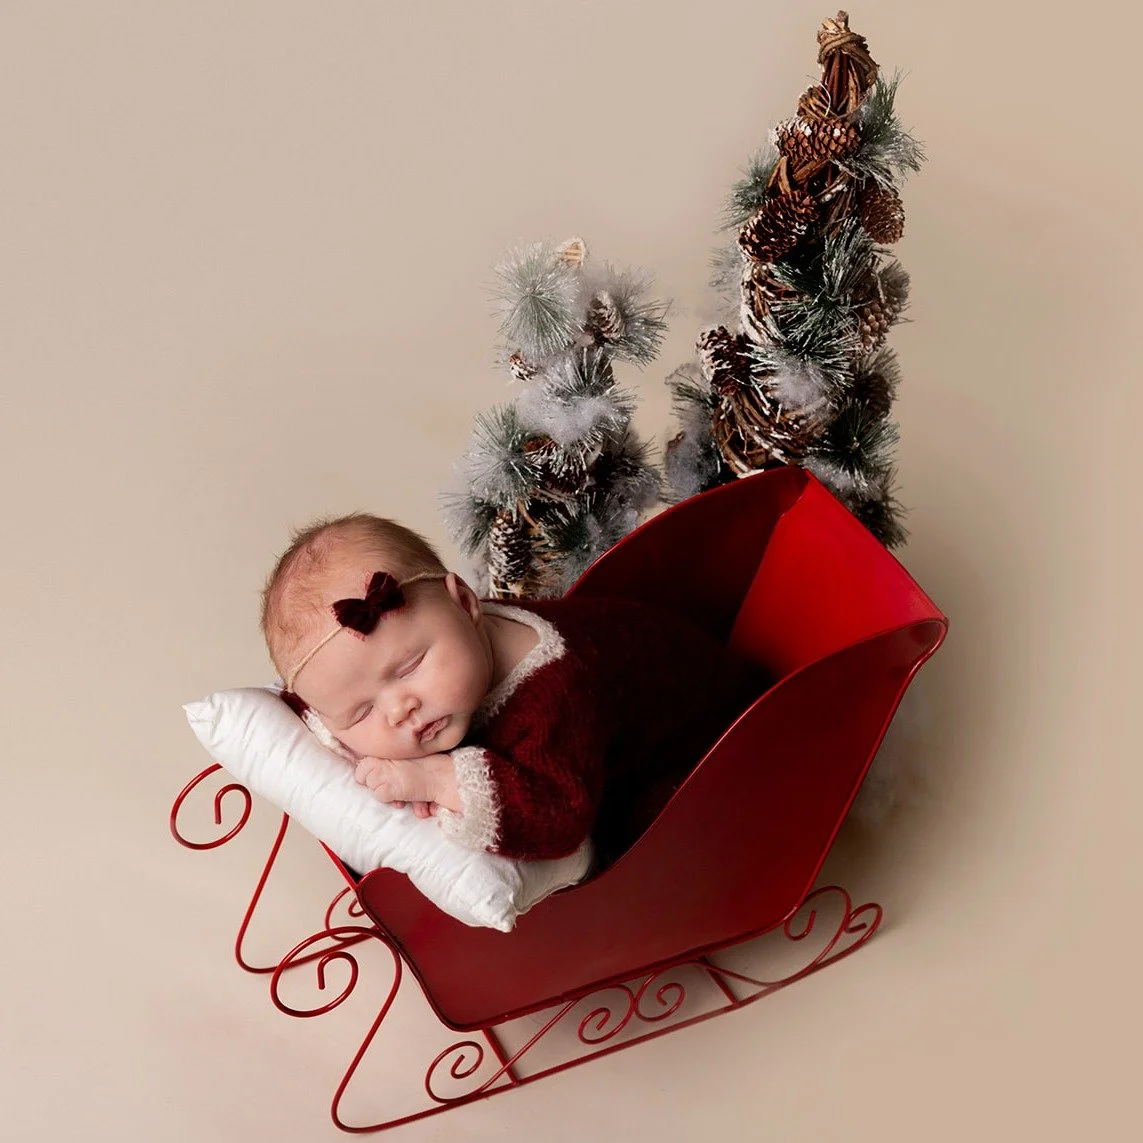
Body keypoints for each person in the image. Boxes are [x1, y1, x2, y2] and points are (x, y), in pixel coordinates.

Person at [261, 513, 763, 863]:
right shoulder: (448, 657)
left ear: (466, 602)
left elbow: (560, 817)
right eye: (361, 712)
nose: (400, 710)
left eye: (411, 665)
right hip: (620, 729)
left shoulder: (552, 690)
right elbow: (317, 703)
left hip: (709, 737)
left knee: (634, 839)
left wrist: (440, 780)